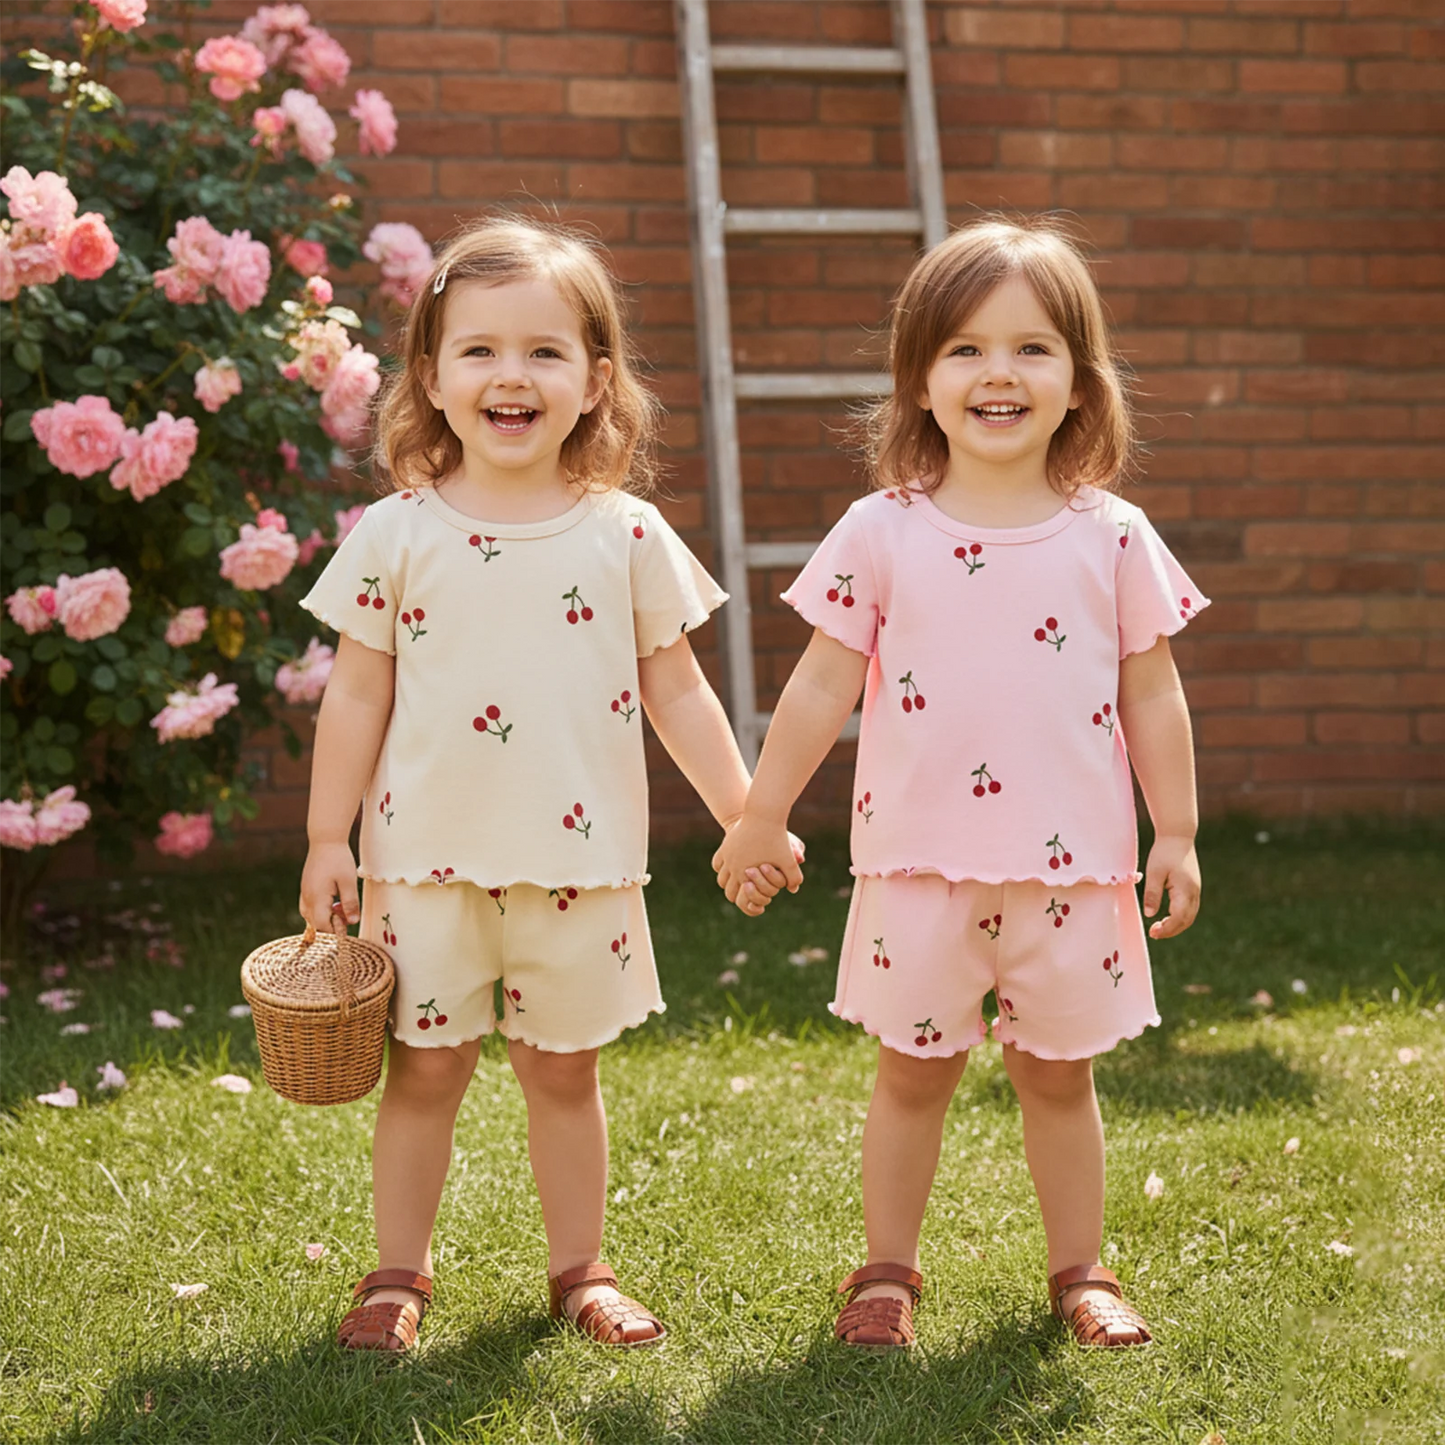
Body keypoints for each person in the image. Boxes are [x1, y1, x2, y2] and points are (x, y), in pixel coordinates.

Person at [714, 215, 1206, 1350]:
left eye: (1032, 347)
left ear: (1079, 380)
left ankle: (1079, 1267)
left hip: (1073, 867)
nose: (998, 371)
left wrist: (1173, 829)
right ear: (919, 380)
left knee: (1055, 1077)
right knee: (911, 1075)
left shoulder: (1113, 535)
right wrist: (759, 809)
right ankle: (885, 1268)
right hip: (915, 865)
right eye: (965, 348)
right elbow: (818, 686)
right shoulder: (876, 533)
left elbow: (1151, 694)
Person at [298, 215, 786, 1353]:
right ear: (429, 374)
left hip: (580, 862)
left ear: (593, 380)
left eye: (543, 351)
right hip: (420, 862)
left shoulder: (625, 534)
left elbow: (676, 691)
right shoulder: (393, 533)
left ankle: (580, 1269)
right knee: (424, 1072)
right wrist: (332, 838)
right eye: (477, 350)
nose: (508, 374)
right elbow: (357, 696)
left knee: (563, 1073)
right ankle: (394, 1275)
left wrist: (744, 810)